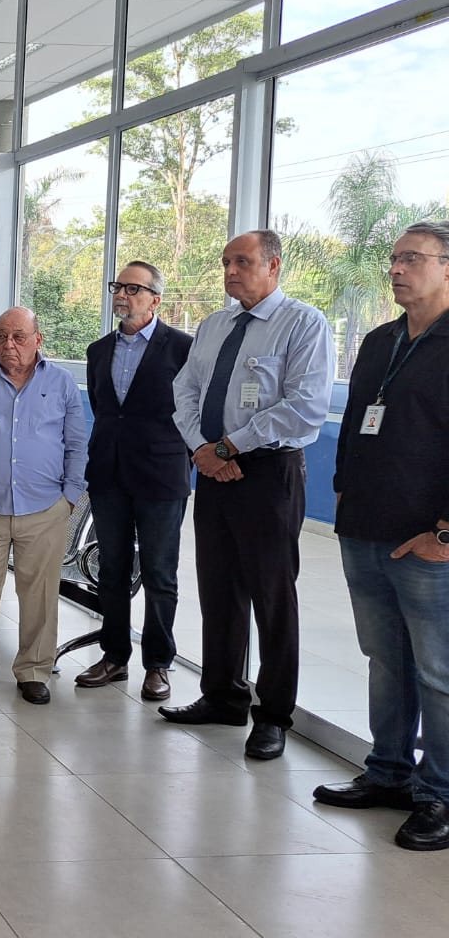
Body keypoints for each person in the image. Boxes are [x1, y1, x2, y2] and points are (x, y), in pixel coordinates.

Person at [163, 229, 335, 759]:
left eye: (243, 261)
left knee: (272, 596)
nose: (231, 271)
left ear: (274, 265)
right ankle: (222, 696)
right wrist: (202, 449)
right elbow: (184, 391)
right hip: (212, 469)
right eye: (225, 262)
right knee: (218, 590)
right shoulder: (214, 325)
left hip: (267, 474)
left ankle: (274, 715)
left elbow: (305, 406)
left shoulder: (303, 323)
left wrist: (230, 447)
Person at [313, 222, 449, 850]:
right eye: (393, 258)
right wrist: (342, 486)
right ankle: (388, 772)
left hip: (427, 541)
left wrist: (445, 532)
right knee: (385, 661)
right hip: (364, 529)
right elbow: (351, 428)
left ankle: (439, 794)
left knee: (438, 672)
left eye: (412, 259)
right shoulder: (380, 340)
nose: (396, 268)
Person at [0, 306, 87, 704]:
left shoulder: (61, 383)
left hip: (45, 508)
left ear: (38, 339)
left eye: (19, 336)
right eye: (2, 335)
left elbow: (76, 445)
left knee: (40, 593)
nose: (9, 344)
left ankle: (34, 670)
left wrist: (69, 498)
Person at [75, 261, 194, 703]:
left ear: (155, 299)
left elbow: (193, 409)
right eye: (117, 287)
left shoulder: (182, 347)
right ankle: (114, 656)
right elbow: (109, 413)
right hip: (108, 474)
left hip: (161, 475)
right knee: (111, 570)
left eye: (133, 288)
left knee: (160, 573)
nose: (121, 295)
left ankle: (159, 664)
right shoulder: (98, 349)